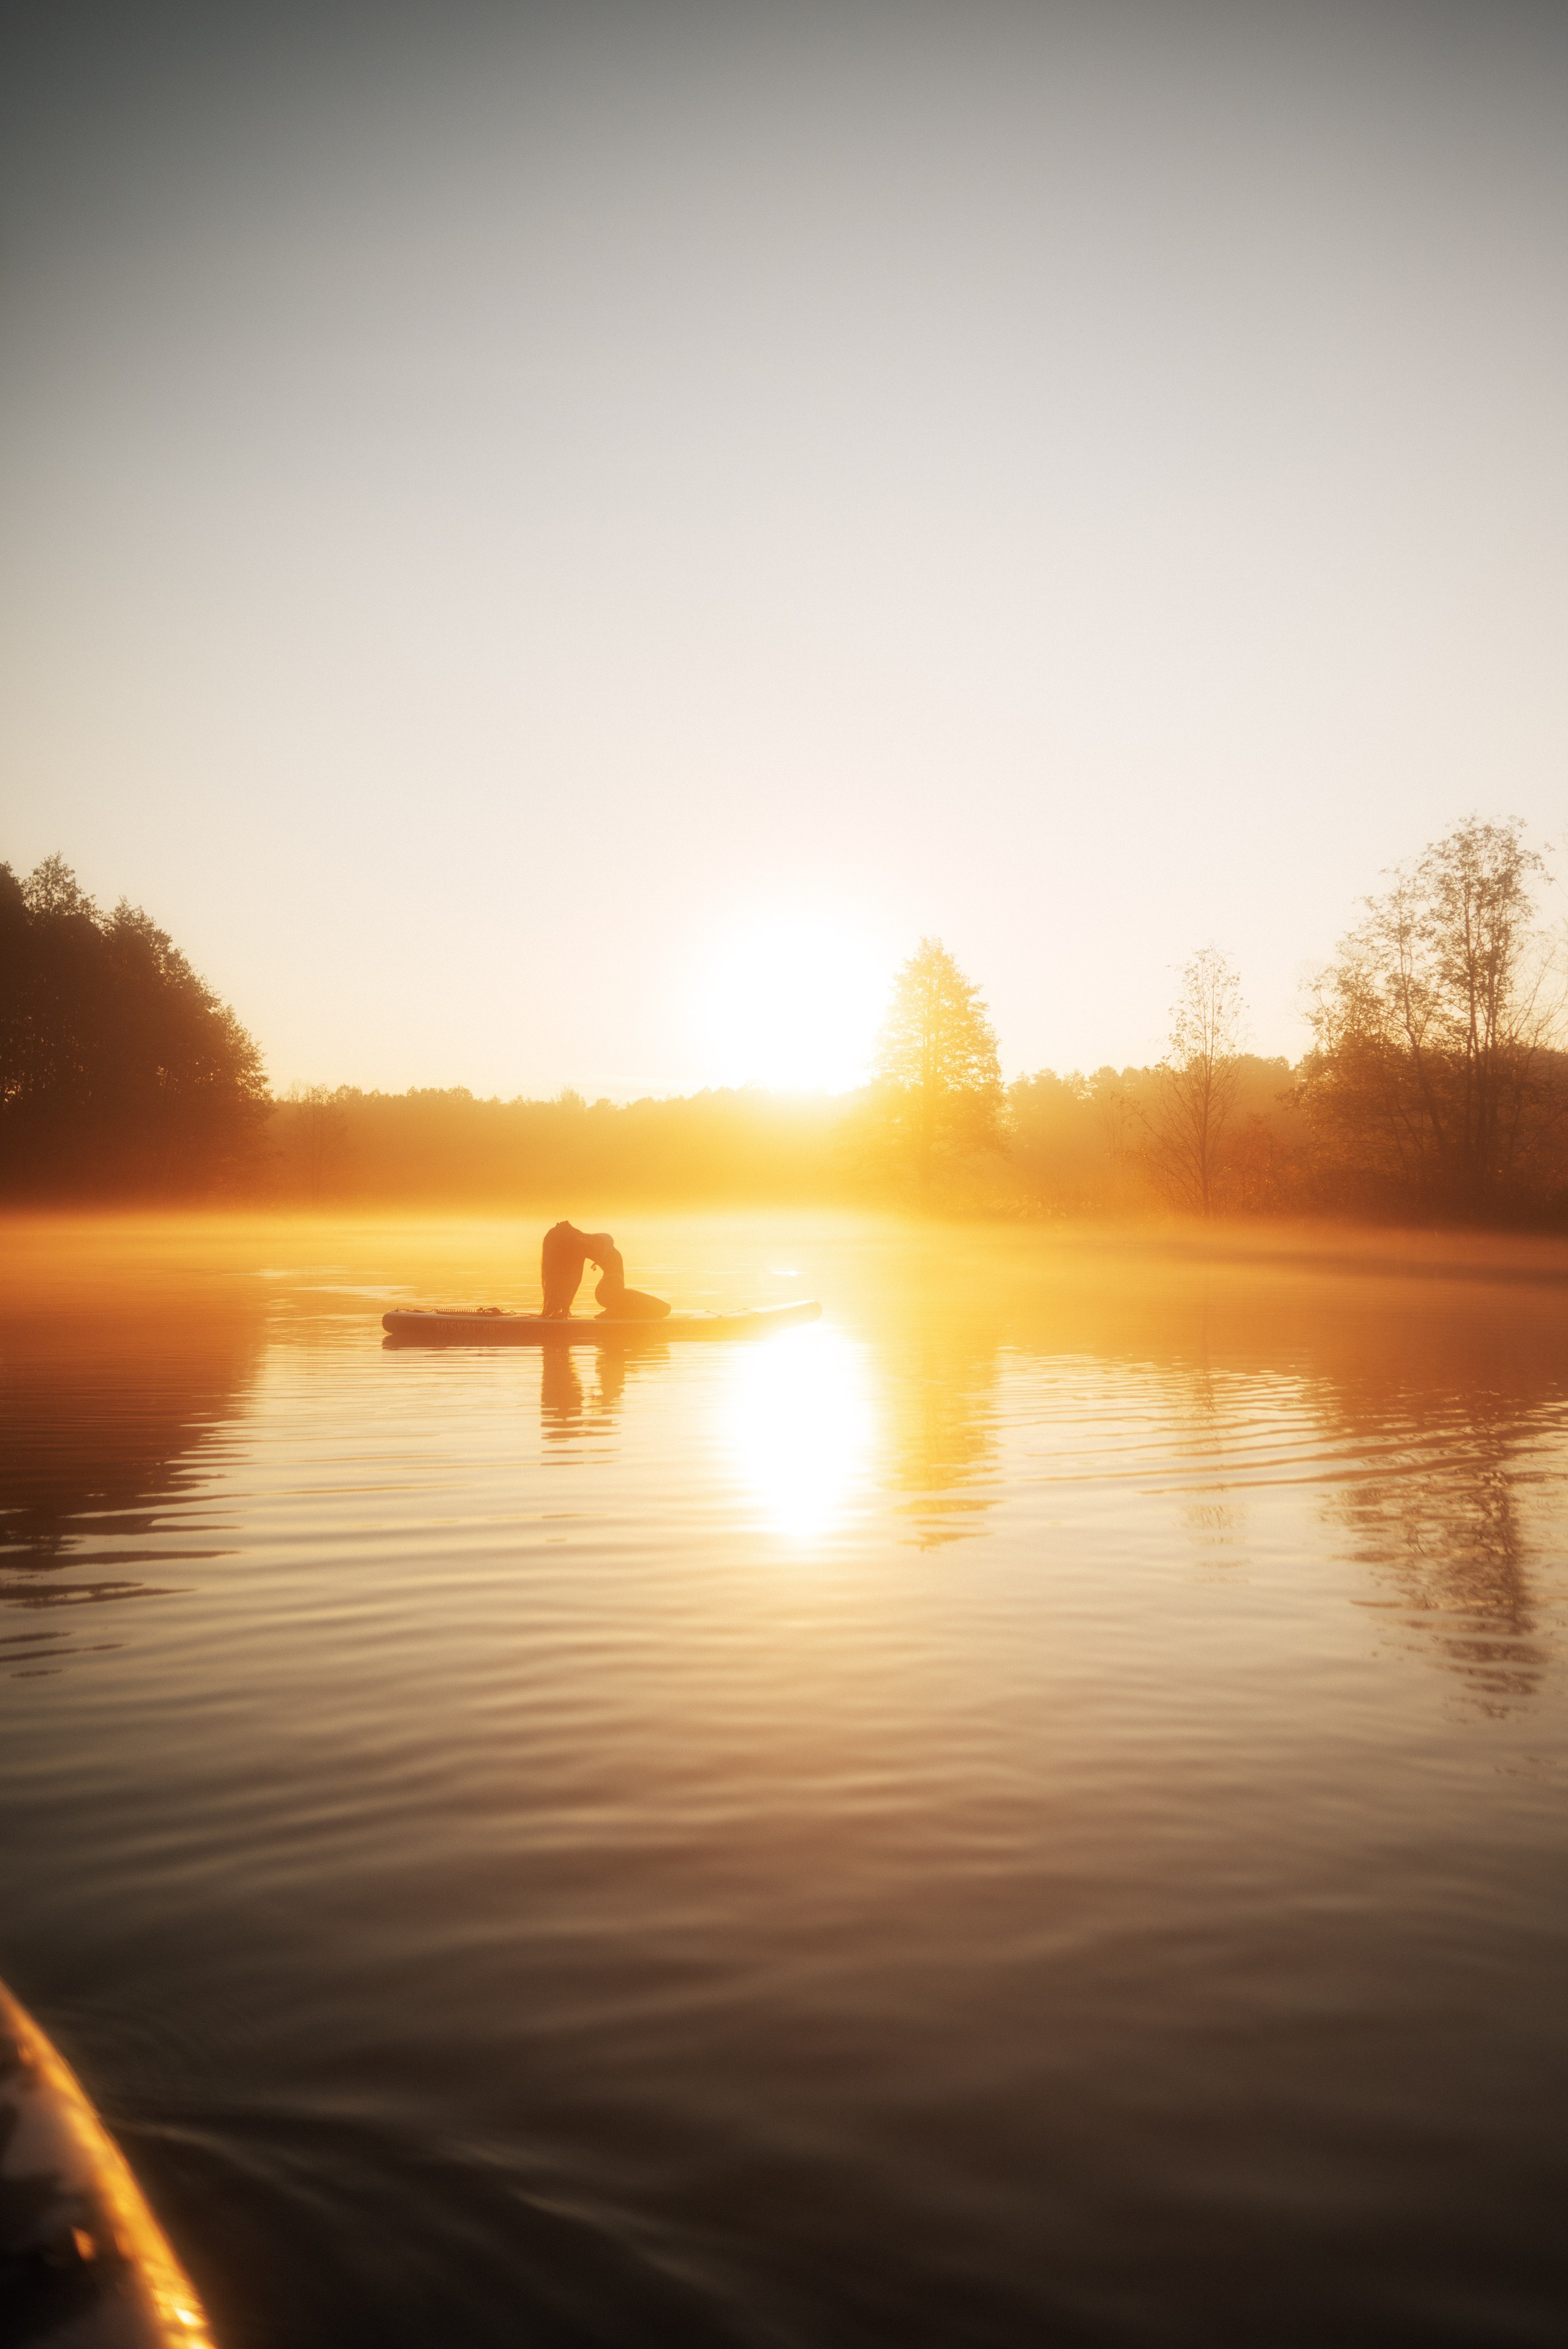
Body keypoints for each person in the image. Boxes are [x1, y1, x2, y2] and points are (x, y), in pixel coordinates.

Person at [539, 1222, 670, 1320]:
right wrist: (565, 1310)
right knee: (664, 1309)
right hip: (610, 1292)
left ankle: (617, 1312)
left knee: (663, 1309)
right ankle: (616, 1313)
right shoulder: (581, 1245)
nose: (567, 1224)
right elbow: (575, 1278)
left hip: (612, 1291)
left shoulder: (586, 1240)